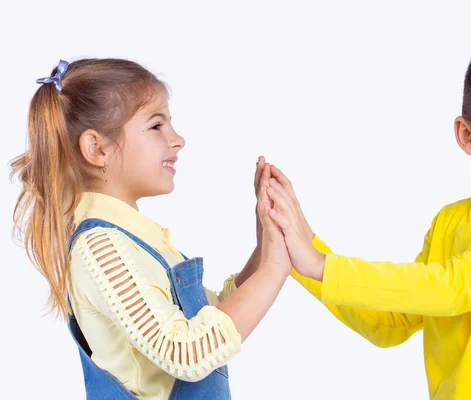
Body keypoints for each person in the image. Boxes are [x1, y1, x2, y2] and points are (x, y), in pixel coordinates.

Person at [264, 29, 471, 399]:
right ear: (467, 136)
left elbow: (456, 286)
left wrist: (319, 263)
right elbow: (388, 323)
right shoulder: (450, 222)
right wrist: (300, 248)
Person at [11, 58, 291, 399]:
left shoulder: (138, 241)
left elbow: (209, 317)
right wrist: (275, 269)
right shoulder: (101, 248)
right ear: (97, 149)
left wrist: (265, 248)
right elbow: (188, 353)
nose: (178, 140)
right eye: (156, 126)